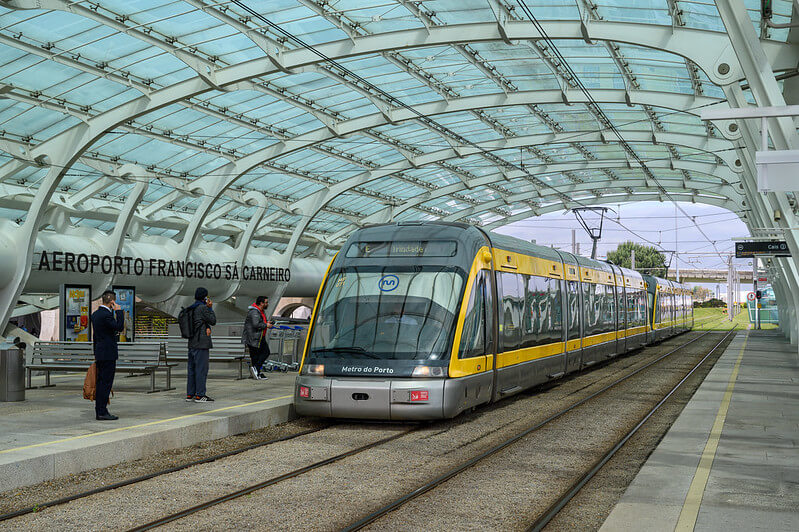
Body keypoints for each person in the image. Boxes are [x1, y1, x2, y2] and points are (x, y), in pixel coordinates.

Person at [91, 290, 124, 421]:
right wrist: (119, 312)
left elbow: (95, 336)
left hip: (100, 352)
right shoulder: (106, 315)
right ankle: (102, 411)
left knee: (101, 383)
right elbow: (119, 327)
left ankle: (99, 409)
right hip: (108, 354)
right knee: (106, 383)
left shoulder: (95, 315)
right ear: (112, 302)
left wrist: (95, 352)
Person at [186, 287, 217, 402]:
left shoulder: (191, 308)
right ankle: (200, 395)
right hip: (201, 343)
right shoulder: (203, 308)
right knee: (201, 370)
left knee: (192, 369)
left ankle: (190, 394)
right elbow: (213, 320)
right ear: (205, 297)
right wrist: (210, 308)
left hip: (192, 343)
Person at [242, 296, 274, 379]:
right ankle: (256, 370)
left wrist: (267, 322)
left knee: (256, 356)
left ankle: (256, 373)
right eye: (266, 302)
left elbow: (259, 322)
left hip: (259, 337)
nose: (267, 304)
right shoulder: (254, 312)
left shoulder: (260, 311)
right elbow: (256, 324)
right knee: (264, 353)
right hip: (253, 337)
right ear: (261, 303)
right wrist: (266, 325)